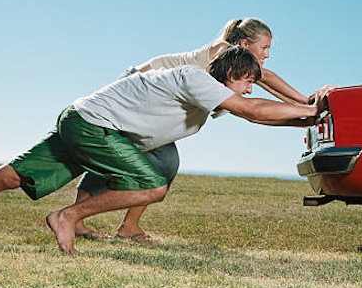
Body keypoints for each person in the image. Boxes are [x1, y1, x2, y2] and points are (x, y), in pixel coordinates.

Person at [0, 46, 331, 254]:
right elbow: (255, 110)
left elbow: (255, 114)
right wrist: (312, 106)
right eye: (249, 79)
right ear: (233, 73)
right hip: (95, 127)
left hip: (82, 119)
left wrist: (310, 117)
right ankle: (65, 216)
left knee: (11, 175)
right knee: (152, 186)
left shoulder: (207, 94)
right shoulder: (196, 78)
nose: (251, 87)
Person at [75, 18, 316, 242]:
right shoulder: (225, 53)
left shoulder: (235, 69)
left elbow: (252, 109)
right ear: (244, 44)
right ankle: (101, 223)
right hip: (138, 87)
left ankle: (124, 225)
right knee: (149, 158)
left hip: (154, 101)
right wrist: (306, 103)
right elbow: (264, 80)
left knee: (162, 162)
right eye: (264, 47)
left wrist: (301, 113)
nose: (267, 54)